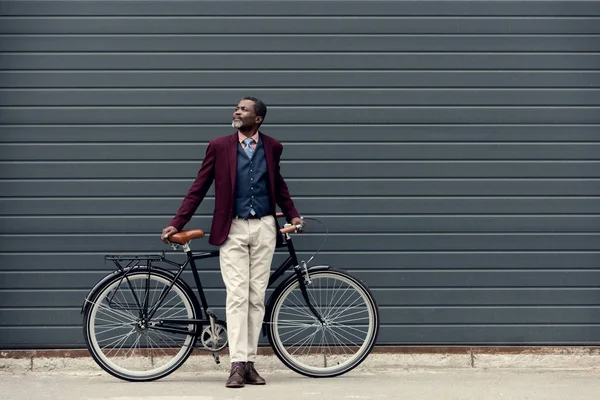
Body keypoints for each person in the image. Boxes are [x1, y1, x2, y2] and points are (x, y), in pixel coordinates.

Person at [161, 97, 304, 388]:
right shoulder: (219, 146)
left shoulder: (272, 146)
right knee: (237, 295)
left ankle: (249, 363)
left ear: (258, 119)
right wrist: (178, 221)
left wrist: (293, 214)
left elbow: (278, 184)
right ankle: (236, 364)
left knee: (255, 297)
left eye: (243, 109)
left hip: (264, 227)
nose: (237, 111)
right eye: (237, 108)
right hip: (233, 229)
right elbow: (199, 186)